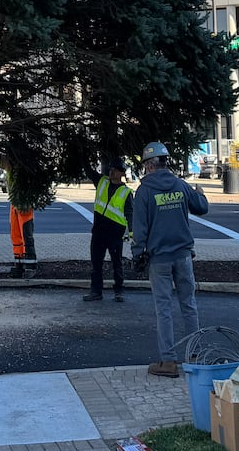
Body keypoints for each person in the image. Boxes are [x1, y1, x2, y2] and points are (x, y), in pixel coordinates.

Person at [131, 140, 209, 378]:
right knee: (189, 305)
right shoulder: (180, 185)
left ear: (148, 165)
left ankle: (168, 362)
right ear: (165, 162)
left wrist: (137, 254)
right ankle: (196, 357)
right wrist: (201, 194)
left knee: (163, 309)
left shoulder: (144, 191)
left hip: (159, 259)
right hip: (183, 256)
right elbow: (201, 208)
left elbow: (140, 228)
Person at [82, 158, 133, 302]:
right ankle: (96, 291)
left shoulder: (126, 192)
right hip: (99, 231)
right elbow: (89, 172)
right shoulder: (102, 182)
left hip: (115, 233)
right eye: (110, 169)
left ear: (122, 173)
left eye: (115, 170)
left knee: (117, 263)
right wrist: (82, 154)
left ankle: (119, 291)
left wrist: (131, 232)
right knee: (96, 263)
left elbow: (130, 213)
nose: (111, 172)